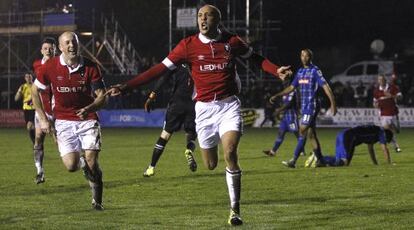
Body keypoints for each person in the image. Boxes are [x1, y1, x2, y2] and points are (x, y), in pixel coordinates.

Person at [107, 4, 292, 226]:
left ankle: (235, 210)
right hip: (203, 110)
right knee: (211, 164)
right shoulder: (187, 46)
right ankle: (209, 164)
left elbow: (256, 58)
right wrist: (127, 87)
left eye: (208, 15)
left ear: (217, 20)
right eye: (200, 16)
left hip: (228, 106)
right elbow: (159, 70)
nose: (202, 19)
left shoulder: (232, 42)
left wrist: (276, 69)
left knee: (231, 153)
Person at [31, 31, 107, 210]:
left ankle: (97, 200)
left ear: (79, 44)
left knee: (91, 160)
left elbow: (102, 96)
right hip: (63, 121)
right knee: (71, 166)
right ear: (61, 48)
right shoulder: (50, 66)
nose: (71, 45)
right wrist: (43, 119)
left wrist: (90, 108)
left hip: (87, 118)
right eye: (67, 43)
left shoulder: (91, 66)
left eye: (74, 42)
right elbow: (35, 91)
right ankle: (82, 165)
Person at [270, 49, 337, 168]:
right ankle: (320, 160)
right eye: (302, 55)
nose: (304, 58)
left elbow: (326, 87)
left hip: (312, 106)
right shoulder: (300, 72)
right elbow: (291, 87)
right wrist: (277, 95)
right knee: (311, 135)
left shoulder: (315, 71)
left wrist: (333, 104)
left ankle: (293, 161)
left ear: (310, 57)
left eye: (306, 56)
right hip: (304, 108)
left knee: (302, 130)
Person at [142, 66, 198, 177]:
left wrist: (151, 96)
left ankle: (151, 168)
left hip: (176, 105)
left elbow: (163, 79)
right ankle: (189, 151)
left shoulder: (176, 64)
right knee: (191, 133)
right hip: (193, 105)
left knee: (165, 136)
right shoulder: (198, 64)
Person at [31, 37, 57, 184]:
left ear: (55, 49)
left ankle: (81, 163)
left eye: (51, 48)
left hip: (58, 109)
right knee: (38, 139)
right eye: (45, 48)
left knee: (59, 142)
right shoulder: (37, 65)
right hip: (42, 109)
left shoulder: (60, 63)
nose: (48, 50)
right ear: (41, 50)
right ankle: (39, 171)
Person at [305, 125, 393, 167]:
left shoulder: (375, 131)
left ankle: (318, 159)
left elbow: (370, 149)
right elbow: (384, 149)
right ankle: (319, 159)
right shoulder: (381, 132)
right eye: (386, 141)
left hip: (342, 133)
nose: (384, 142)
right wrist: (389, 163)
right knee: (344, 163)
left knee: (338, 161)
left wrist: (375, 164)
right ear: (386, 136)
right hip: (349, 136)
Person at [263, 75, 304, 156]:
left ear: (289, 82)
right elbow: (284, 103)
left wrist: (278, 111)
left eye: (285, 81)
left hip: (291, 116)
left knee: (296, 133)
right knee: (280, 133)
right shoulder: (284, 91)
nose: (284, 82)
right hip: (285, 117)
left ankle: (302, 151)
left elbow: (289, 104)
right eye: (283, 81)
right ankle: (273, 151)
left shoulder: (292, 91)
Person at [373, 75, 402, 152]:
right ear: (378, 81)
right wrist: (376, 105)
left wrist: (391, 96)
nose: (381, 81)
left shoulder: (392, 87)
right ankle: (396, 146)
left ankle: (392, 127)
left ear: (385, 80)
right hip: (383, 114)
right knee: (387, 131)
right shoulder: (376, 91)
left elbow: (400, 97)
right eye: (379, 80)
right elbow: (375, 102)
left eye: (382, 79)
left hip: (393, 112)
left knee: (397, 131)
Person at [15, 73, 36, 145]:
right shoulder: (23, 87)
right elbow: (16, 99)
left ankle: (35, 143)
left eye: (30, 77)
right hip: (26, 109)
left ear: (32, 77)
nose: (28, 78)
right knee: (29, 127)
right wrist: (19, 92)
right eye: (27, 77)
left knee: (31, 125)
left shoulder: (36, 85)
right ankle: (35, 142)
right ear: (25, 78)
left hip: (35, 108)